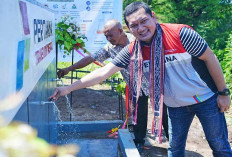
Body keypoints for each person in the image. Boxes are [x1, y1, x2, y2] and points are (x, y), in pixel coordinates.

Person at [50, 2, 231, 156]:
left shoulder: (181, 34)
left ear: (153, 17)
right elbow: (104, 72)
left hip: (204, 98)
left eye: (144, 21)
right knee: (175, 149)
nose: (141, 28)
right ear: (129, 29)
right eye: (134, 25)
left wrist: (223, 92)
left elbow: (210, 58)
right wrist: (67, 88)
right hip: (176, 106)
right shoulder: (133, 49)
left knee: (218, 145)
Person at [56, 19, 169, 152]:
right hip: (136, 87)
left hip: (156, 84)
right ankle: (139, 142)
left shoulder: (138, 40)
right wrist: (69, 68)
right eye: (106, 36)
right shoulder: (110, 48)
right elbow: (90, 59)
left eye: (110, 35)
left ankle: (173, 140)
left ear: (121, 31)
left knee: (165, 113)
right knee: (139, 114)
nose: (108, 39)